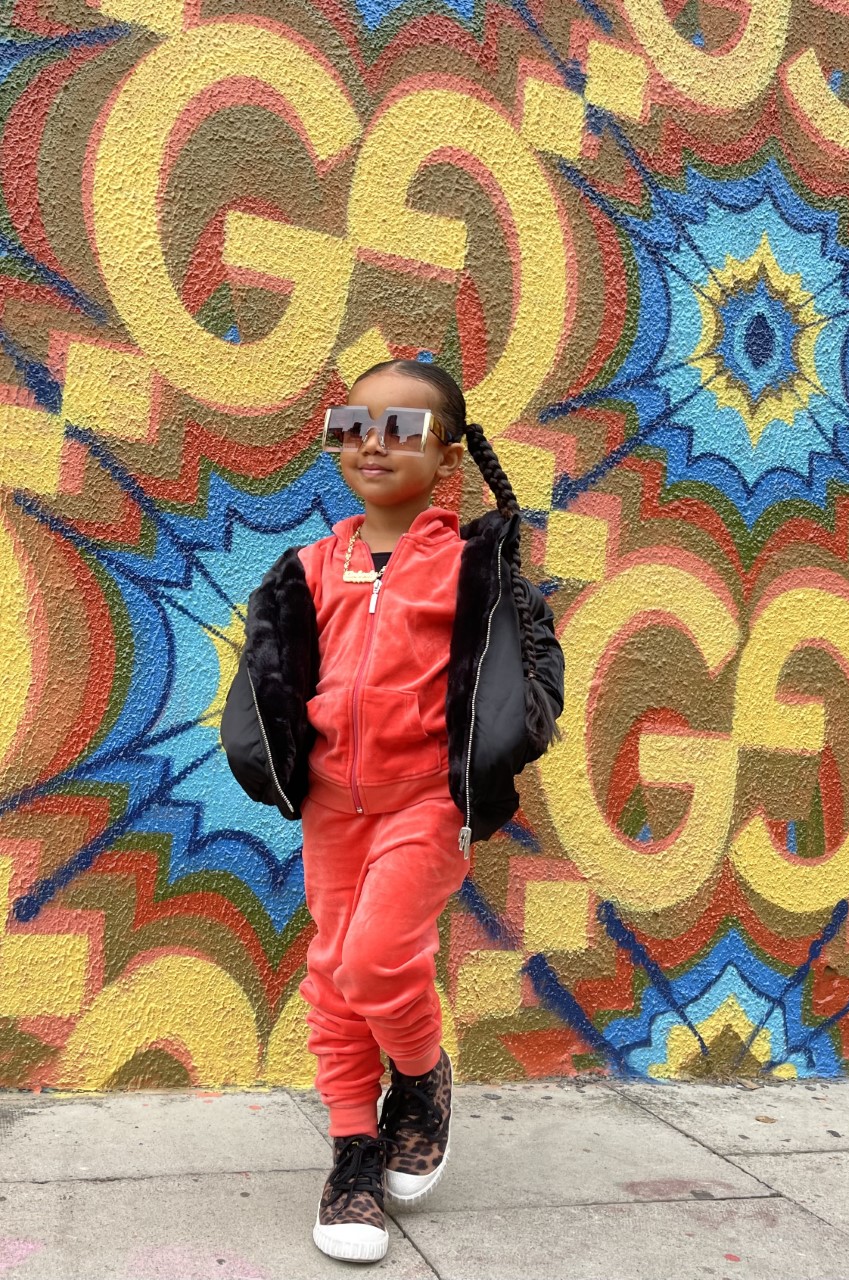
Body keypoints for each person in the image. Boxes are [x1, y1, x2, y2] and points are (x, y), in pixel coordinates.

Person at [221, 359, 565, 1264]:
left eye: (402, 428)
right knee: (334, 972)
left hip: (424, 804)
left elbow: (525, 672)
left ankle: (419, 1075)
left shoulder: (466, 569)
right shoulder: (309, 566)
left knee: (375, 959)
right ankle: (353, 1155)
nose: (373, 441)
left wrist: (494, 759)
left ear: (448, 458)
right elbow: (275, 675)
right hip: (334, 807)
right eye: (353, 423)